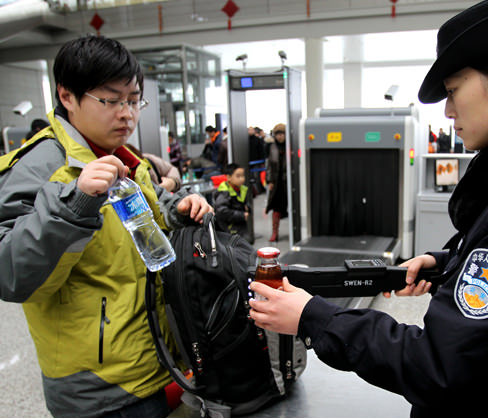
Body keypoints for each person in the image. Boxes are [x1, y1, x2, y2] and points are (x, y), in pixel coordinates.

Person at [248, 1, 488, 417]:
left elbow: (437, 365)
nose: (449, 111)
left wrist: (312, 317)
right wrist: (448, 263)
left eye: (453, 91)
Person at [0, 35, 213, 418]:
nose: (127, 115)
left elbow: (144, 221)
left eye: (133, 101)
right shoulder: (37, 168)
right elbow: (10, 275)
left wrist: (178, 211)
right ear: (67, 96)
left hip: (160, 360)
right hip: (101, 388)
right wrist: (74, 205)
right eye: (111, 100)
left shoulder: (126, 159)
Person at [214, 163, 252, 243]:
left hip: (239, 228)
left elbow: (243, 205)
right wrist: (241, 215)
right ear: (229, 177)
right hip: (229, 230)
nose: (241, 179)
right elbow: (221, 211)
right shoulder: (224, 193)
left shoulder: (241, 190)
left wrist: (248, 208)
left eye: (242, 176)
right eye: (238, 176)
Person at [265, 123, 287, 242]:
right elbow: (269, 165)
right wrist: (270, 180)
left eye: (282, 134)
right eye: (278, 134)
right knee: (275, 207)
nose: (280, 137)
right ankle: (275, 232)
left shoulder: (291, 145)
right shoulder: (272, 147)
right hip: (277, 182)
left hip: (288, 181)